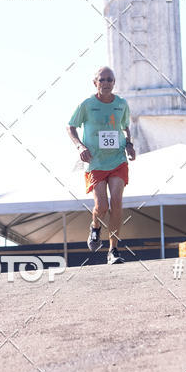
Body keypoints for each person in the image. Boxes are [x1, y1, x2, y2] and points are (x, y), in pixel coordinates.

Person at [67, 67, 135, 265]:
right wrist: (79, 146)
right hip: (95, 162)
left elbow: (125, 127)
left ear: (114, 83)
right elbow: (70, 126)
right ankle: (95, 226)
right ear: (95, 82)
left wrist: (129, 145)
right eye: (102, 80)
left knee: (117, 203)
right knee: (102, 206)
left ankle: (113, 250)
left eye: (110, 80)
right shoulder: (87, 104)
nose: (106, 83)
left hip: (117, 160)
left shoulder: (121, 104)